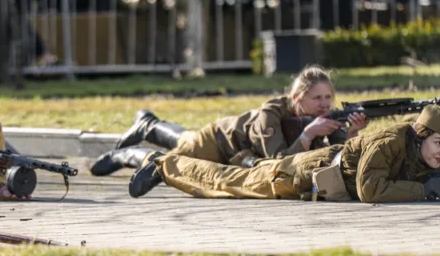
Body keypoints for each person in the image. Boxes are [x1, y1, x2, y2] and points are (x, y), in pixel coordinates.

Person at [127, 106, 440, 203]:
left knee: (238, 175)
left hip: (317, 178)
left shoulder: (420, 152)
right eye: (438, 144)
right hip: (300, 174)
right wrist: (426, 191)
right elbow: (371, 191)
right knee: (228, 183)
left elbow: (436, 186)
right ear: (421, 135)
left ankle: (243, 159)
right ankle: (162, 163)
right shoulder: (390, 141)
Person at [90, 66, 368, 176]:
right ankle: (127, 154)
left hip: (237, 154)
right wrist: (308, 135)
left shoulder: (320, 117)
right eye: (316, 98)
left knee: (184, 137)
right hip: (220, 141)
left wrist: (352, 134)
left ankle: (149, 125)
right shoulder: (270, 114)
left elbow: (335, 151)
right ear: (297, 97)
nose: (324, 104)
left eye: (327, 97)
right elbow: (279, 161)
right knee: (175, 157)